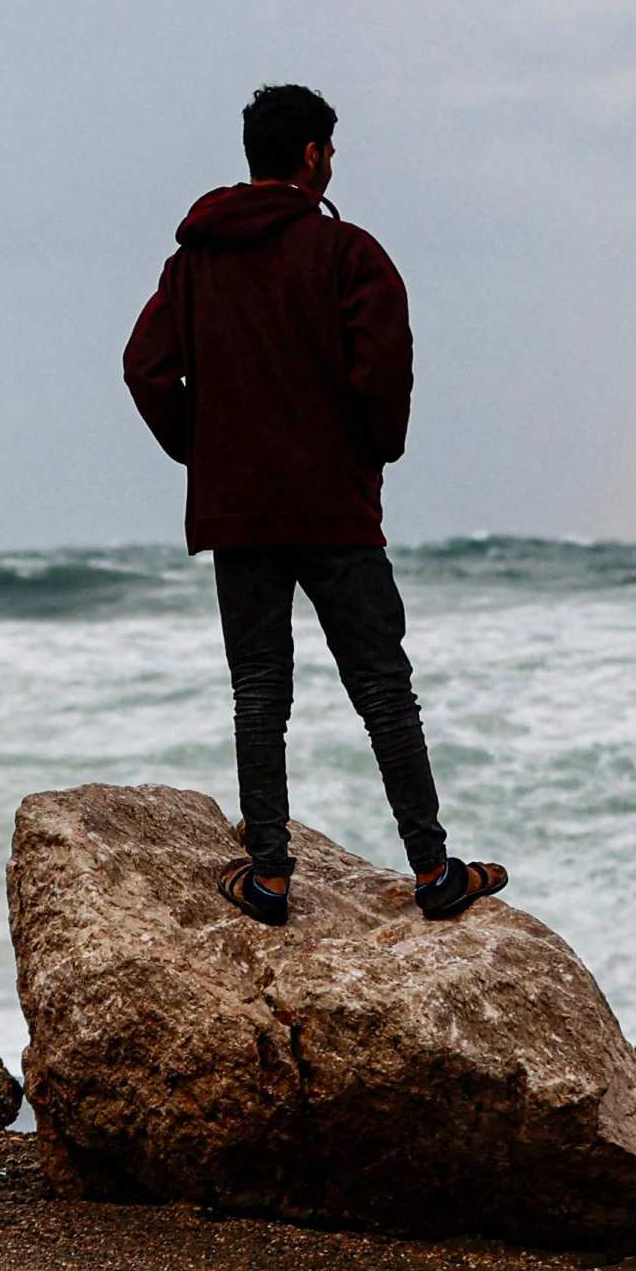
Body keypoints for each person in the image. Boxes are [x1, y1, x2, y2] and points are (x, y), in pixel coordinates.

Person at [123, 84, 506, 928]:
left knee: (260, 693)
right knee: (383, 692)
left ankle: (266, 877)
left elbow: (144, 369)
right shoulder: (348, 253)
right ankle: (435, 871)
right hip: (334, 508)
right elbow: (383, 373)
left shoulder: (193, 263)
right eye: (329, 150)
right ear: (311, 156)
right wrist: (369, 452)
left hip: (239, 513)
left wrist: (205, 450)